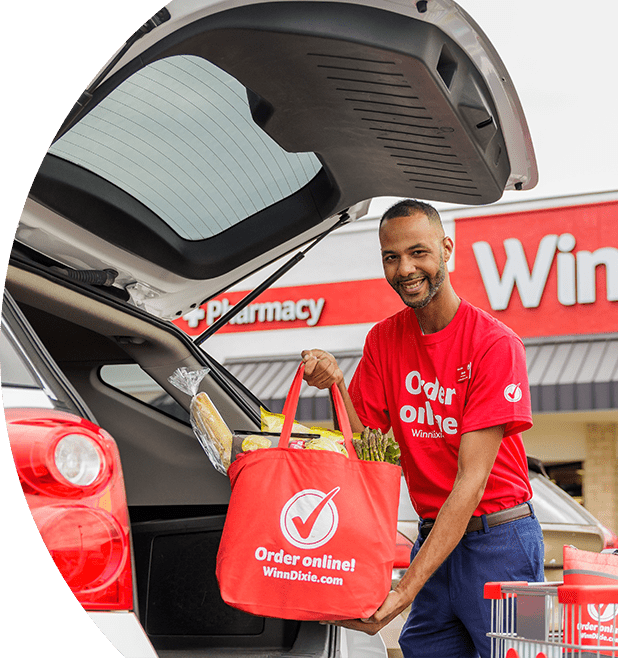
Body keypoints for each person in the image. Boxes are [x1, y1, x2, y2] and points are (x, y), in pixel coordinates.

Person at [301, 199, 544, 658]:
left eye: (418, 253)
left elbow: (471, 483)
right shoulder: (383, 340)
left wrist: (405, 589)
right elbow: (364, 447)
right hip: (434, 538)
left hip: (504, 543)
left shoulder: (494, 344)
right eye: (391, 257)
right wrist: (334, 386)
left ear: (446, 249)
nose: (405, 269)